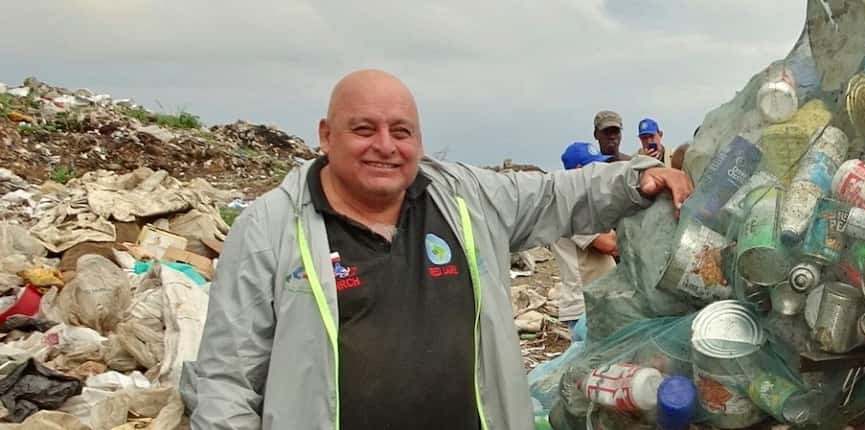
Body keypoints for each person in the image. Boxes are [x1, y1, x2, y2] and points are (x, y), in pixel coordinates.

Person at [180, 69, 692, 430]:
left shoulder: (463, 198)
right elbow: (227, 380)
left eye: (401, 131)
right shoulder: (269, 228)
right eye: (364, 129)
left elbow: (559, 194)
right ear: (325, 136)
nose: (385, 145)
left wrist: (637, 178)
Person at [551, 142, 619, 333]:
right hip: (585, 307)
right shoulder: (573, 208)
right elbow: (611, 244)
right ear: (579, 171)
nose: (600, 172)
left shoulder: (581, 205)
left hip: (593, 304)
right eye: (594, 167)